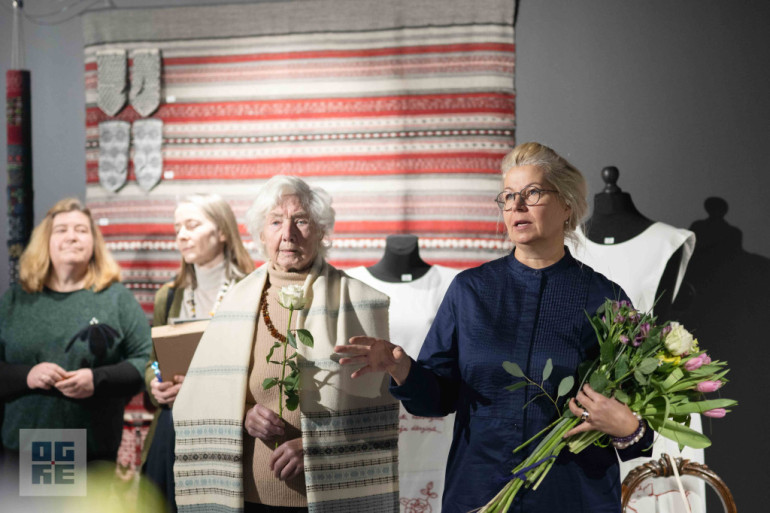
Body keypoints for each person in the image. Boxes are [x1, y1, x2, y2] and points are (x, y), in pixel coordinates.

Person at [335, 142, 654, 513]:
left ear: (567, 205)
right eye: (507, 197)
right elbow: (437, 401)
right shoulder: (470, 291)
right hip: (479, 493)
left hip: (573, 497)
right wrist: (400, 366)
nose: (516, 206)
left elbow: (640, 434)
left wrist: (629, 426)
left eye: (531, 193)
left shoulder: (605, 298)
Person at [172, 175, 399, 513]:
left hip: (325, 495)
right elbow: (202, 396)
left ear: (321, 231)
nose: (288, 233)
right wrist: (244, 414)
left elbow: (373, 417)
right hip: (248, 496)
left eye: (301, 220)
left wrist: (315, 447)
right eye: (276, 221)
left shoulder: (360, 302)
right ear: (261, 234)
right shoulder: (236, 300)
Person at [0, 198, 151, 463]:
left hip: (92, 450)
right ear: (45, 241)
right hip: (24, 448)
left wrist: (97, 380)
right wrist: (28, 376)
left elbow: (146, 360)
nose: (72, 237)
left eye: (81, 230)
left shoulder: (116, 298)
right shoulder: (15, 300)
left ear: (94, 242)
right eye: (62, 230)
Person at [142, 193, 254, 512]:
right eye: (177, 227)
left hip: (229, 427)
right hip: (174, 427)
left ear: (221, 232)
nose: (182, 235)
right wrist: (155, 382)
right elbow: (152, 359)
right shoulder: (170, 295)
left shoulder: (251, 290)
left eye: (192, 225)